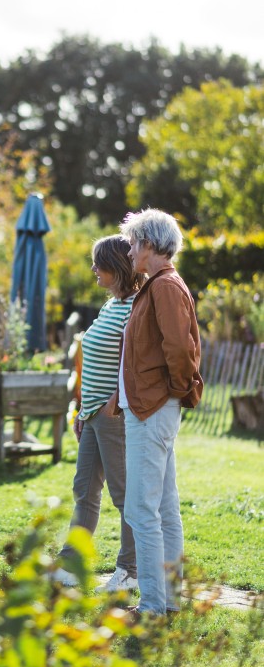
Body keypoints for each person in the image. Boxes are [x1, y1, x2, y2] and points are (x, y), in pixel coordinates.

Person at [118, 208, 203, 616]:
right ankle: (168, 600)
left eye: (134, 242)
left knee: (140, 509)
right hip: (153, 408)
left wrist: (172, 392)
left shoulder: (165, 287)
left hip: (152, 410)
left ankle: (153, 605)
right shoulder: (155, 286)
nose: (130, 249)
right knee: (164, 507)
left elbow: (180, 351)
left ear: (150, 244)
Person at [53, 234, 146, 591]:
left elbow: (136, 364)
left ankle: (130, 571)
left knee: (123, 495)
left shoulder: (136, 307)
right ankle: (71, 564)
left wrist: (113, 403)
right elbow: (91, 363)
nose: (93, 269)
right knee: (85, 489)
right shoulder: (110, 306)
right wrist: (81, 409)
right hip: (91, 415)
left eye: (99, 263)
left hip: (114, 417)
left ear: (117, 267)